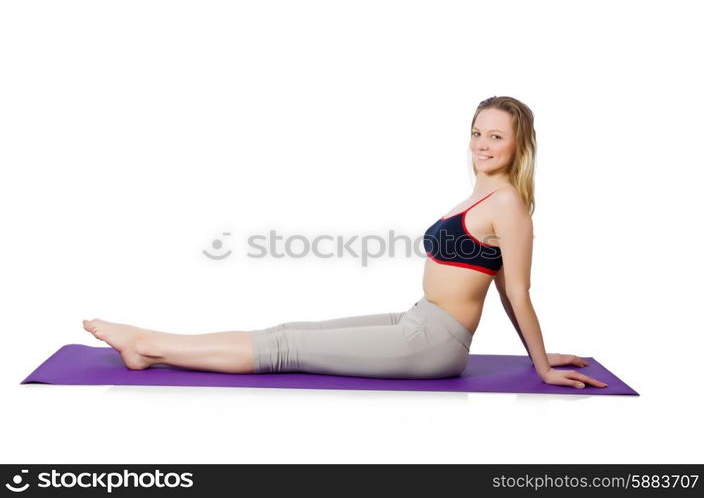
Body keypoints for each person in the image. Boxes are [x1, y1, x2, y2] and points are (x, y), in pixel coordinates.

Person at [82, 95, 607, 390]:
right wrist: (533, 354)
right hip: (418, 319)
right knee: (289, 330)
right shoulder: (477, 194)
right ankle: (152, 344)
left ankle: (146, 345)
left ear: (519, 143)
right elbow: (493, 279)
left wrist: (538, 364)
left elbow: (516, 290)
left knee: (290, 350)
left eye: (496, 135)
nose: (482, 144)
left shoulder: (508, 204)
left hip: (434, 343)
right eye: (477, 132)